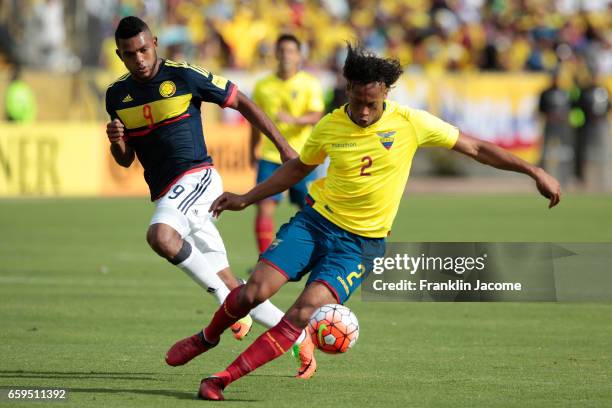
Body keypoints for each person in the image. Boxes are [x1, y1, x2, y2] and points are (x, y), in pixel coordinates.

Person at [167, 44, 561, 400]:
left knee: (302, 314)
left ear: (385, 94)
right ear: (349, 92)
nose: (364, 112)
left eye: (371, 104)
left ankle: (221, 379)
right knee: (253, 292)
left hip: (360, 245)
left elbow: (475, 147)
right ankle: (208, 336)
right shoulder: (330, 124)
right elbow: (297, 169)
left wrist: (533, 170)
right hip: (314, 224)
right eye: (357, 102)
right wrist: (246, 197)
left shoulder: (412, 123)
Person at [104, 16, 315, 378]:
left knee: (161, 236)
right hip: (170, 194)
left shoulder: (184, 75)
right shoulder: (117, 96)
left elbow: (242, 101)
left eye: (143, 49)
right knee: (237, 287)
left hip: (198, 179)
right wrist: (117, 141)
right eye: (129, 54)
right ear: (119, 55)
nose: (138, 59)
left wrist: (283, 148)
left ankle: (222, 302)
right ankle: (300, 338)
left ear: (154, 42)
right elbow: (126, 160)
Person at [250, 34, 324, 254]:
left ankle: (314, 256)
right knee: (264, 207)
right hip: (270, 156)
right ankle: (264, 259)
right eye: (282, 51)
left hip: (302, 157)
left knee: (310, 210)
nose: (286, 56)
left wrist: (294, 120)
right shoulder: (263, 86)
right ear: (275, 54)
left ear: (299, 55)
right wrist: (251, 149)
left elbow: (317, 115)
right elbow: (255, 122)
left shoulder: (309, 83)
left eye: (291, 51)